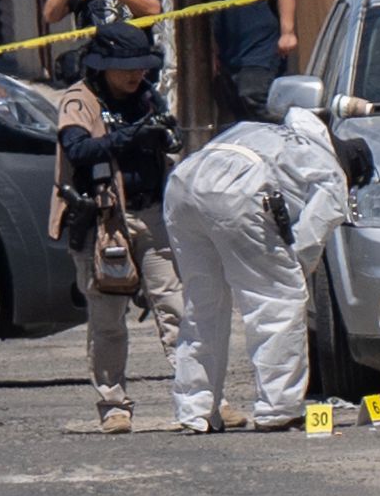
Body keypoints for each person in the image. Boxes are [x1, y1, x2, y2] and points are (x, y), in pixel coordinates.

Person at [48, 23, 240, 434]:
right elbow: (78, 149)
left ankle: (207, 399)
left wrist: (161, 133)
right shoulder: (79, 100)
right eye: (126, 68)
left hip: (152, 213)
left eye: (140, 67)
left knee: (177, 309)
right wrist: (131, 136)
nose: (135, 75)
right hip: (105, 221)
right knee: (107, 319)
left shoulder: (148, 96)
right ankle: (113, 404)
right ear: (103, 67)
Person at [165, 108, 375, 432]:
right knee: (278, 300)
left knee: (202, 305)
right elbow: (308, 240)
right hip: (237, 191)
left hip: (183, 184)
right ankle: (278, 408)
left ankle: (196, 409)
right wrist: (292, 270)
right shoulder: (332, 172)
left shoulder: (263, 131)